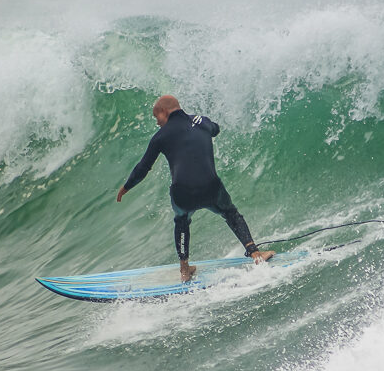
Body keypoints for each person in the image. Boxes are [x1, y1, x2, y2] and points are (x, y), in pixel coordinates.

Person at [117, 95, 274, 281]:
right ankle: (256, 254)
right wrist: (203, 123)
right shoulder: (199, 121)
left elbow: (143, 167)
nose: (157, 123)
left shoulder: (160, 136)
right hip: (211, 188)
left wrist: (126, 187)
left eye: (156, 117)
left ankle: (185, 270)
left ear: (164, 111)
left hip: (183, 194)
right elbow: (215, 129)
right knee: (231, 213)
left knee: (181, 221)